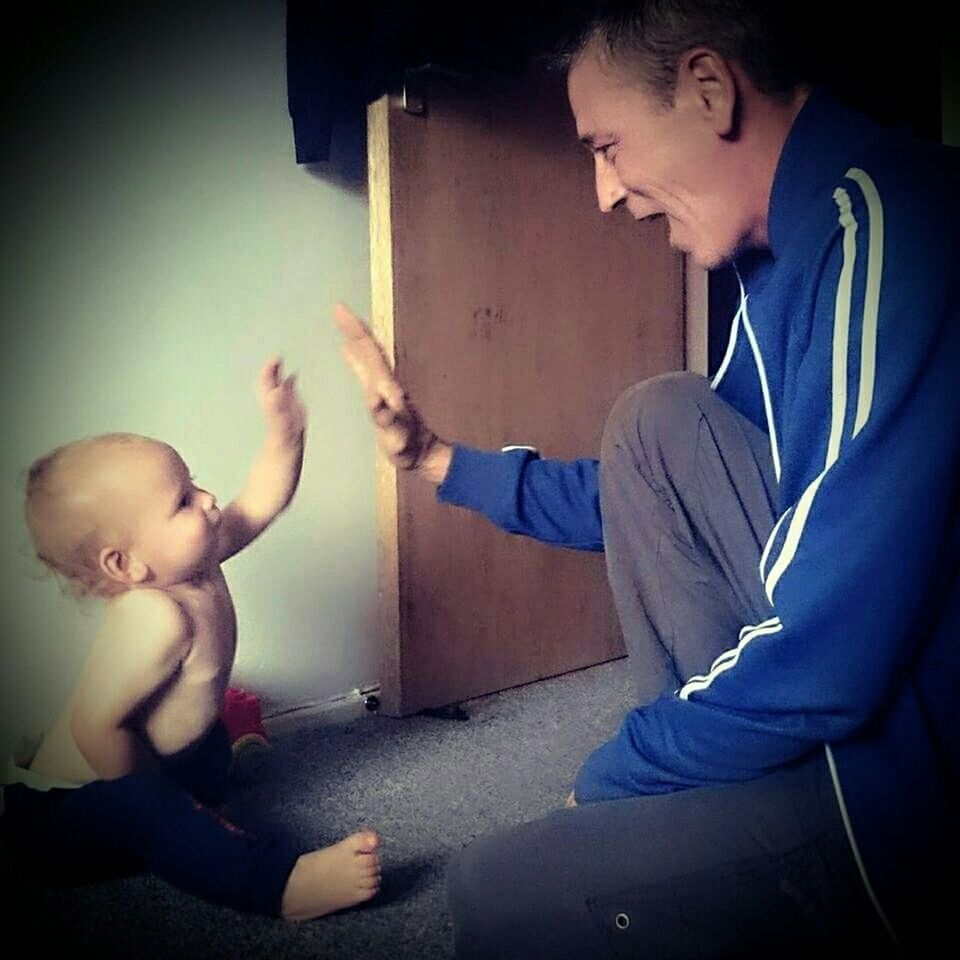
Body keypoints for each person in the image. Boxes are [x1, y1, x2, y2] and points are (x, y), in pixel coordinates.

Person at [334, 0, 960, 956]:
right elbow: (645, 500)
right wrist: (434, 460)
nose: (604, 192)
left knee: (502, 899)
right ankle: (718, 808)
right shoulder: (789, 254)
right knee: (657, 420)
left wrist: (616, 773)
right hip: (848, 701)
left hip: (911, 788)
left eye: (608, 145)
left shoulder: (887, 225)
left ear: (709, 90)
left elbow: (834, 660)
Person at [0, 357, 381, 921]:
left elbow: (262, 500)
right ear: (126, 565)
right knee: (146, 805)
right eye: (182, 500)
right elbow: (94, 725)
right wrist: (176, 809)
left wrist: (285, 433)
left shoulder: (195, 559)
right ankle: (281, 885)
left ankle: (182, 799)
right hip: (59, 815)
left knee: (211, 739)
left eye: (193, 482)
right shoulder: (154, 615)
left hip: (164, 761)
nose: (206, 498)